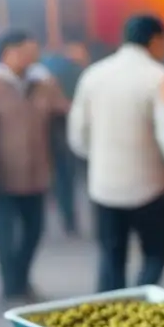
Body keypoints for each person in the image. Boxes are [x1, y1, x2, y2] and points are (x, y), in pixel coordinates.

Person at [68, 15, 164, 291]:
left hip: (103, 185)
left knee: (111, 256)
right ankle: (140, 301)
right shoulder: (159, 77)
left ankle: (106, 315)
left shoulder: (94, 74)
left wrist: (97, 157)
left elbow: (77, 131)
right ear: (156, 40)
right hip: (147, 186)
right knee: (155, 253)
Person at [0, 29, 68, 301]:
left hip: (37, 172)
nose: (33, 56)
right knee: (4, 233)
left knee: (35, 229)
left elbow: (62, 113)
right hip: (1, 173)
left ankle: (20, 275)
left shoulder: (43, 83)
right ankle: (11, 284)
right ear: (8, 53)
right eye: (27, 51)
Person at [43, 39, 91, 236]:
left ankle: (69, 219)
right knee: (84, 177)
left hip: (58, 133)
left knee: (65, 180)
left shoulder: (51, 74)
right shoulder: (83, 74)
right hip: (79, 133)